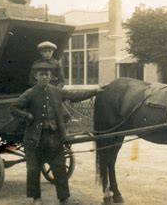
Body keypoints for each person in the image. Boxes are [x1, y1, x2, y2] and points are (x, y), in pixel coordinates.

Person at [11, 62, 103, 205]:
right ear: (36, 76)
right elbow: (14, 108)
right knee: (33, 168)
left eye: (47, 74)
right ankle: (36, 198)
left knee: (59, 167)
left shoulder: (56, 91)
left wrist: (95, 91)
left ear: (50, 76)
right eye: (41, 75)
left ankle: (64, 198)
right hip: (34, 138)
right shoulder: (30, 93)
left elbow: (76, 95)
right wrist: (27, 116)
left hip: (55, 137)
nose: (45, 77)